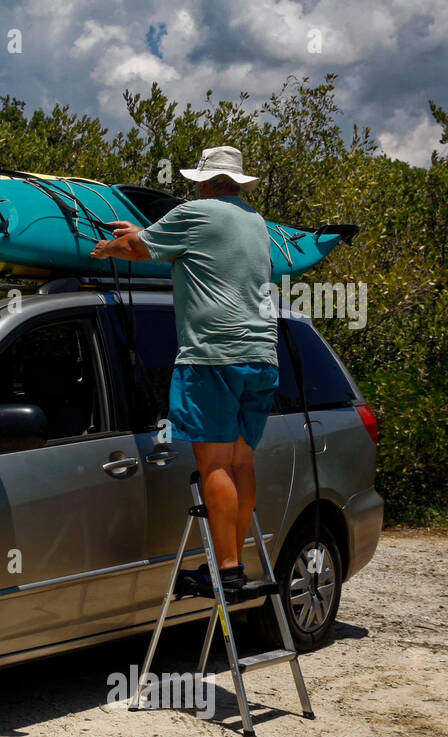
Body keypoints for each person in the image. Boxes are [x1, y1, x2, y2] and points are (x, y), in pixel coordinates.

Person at [90, 145, 275, 594]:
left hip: (212, 357)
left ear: (205, 183)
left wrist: (108, 248)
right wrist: (146, 234)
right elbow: (190, 249)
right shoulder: (255, 222)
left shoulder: (197, 211)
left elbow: (137, 248)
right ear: (238, 183)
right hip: (261, 356)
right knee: (241, 462)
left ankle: (225, 572)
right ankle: (239, 562)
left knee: (213, 464)